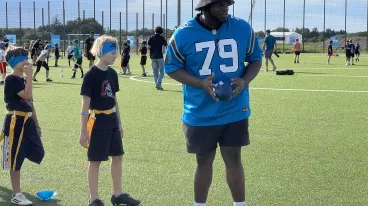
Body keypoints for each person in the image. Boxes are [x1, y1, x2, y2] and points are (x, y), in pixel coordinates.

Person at [164, 0, 262, 206]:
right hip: (199, 111)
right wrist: (200, 83)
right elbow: (171, 67)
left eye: (227, 3)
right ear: (204, 8)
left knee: (234, 158)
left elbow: (255, 58)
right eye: (220, 4)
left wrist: (244, 81)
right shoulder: (183, 34)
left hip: (235, 108)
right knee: (203, 160)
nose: (226, 8)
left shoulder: (242, 27)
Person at [79, 35, 140, 206]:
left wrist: (119, 123)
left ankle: (117, 194)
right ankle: (94, 198)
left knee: (118, 156)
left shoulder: (113, 73)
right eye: (113, 52)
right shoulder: (91, 75)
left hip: (112, 120)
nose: (116, 56)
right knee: (95, 161)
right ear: (101, 52)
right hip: (97, 121)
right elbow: (84, 106)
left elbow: (115, 101)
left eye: (117, 52)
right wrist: (83, 131)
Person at [1, 46, 44, 205]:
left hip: (28, 123)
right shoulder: (11, 79)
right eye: (23, 58)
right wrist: (30, 76)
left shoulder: (23, 79)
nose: (27, 60)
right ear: (15, 62)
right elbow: (26, 95)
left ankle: (11, 156)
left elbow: (30, 102)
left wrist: (37, 125)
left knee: (38, 152)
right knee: (15, 160)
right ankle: (16, 194)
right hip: (15, 123)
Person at [148, 26, 167, 90]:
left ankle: (157, 84)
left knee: (155, 72)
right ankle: (158, 83)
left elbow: (148, 47)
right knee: (162, 71)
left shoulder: (151, 38)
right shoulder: (162, 38)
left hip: (152, 57)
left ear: (155, 31)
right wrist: (163, 51)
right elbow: (165, 46)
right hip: (160, 56)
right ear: (161, 31)